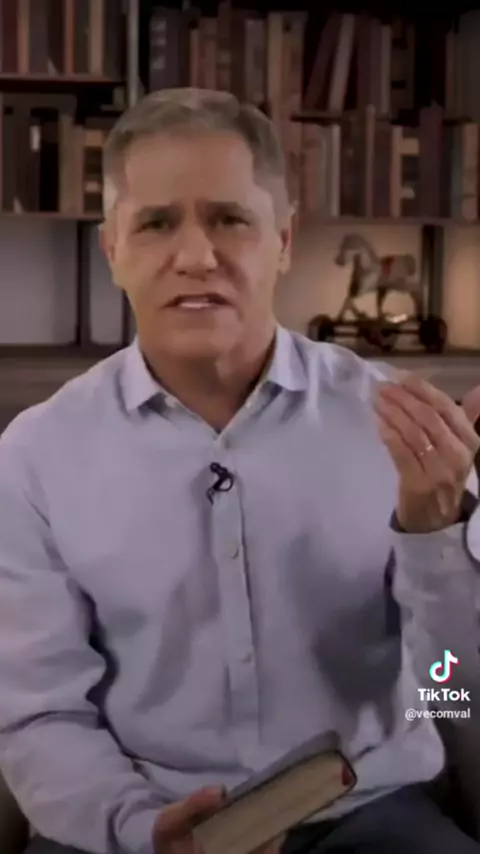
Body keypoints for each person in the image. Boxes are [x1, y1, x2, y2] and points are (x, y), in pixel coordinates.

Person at [0, 88, 479, 854]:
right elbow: (40, 713)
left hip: (368, 812)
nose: (196, 256)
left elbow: (452, 693)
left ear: (283, 241)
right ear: (112, 250)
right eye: (157, 223)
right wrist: (138, 826)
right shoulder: (36, 456)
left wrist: (437, 542)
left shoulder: (401, 430)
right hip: (133, 821)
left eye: (229, 219)